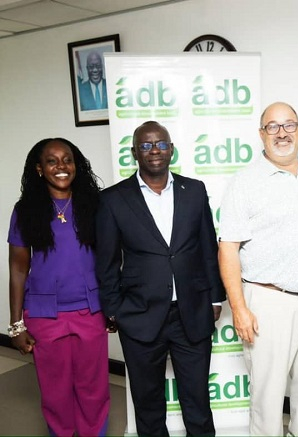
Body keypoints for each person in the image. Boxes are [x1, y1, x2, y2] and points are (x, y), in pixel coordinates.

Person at [218, 102, 298, 436]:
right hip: (268, 302)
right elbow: (227, 248)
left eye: (289, 125)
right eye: (272, 127)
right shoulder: (244, 183)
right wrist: (239, 309)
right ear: (261, 134)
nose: (282, 133)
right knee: (267, 397)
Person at [95, 121, 225, 436]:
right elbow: (107, 259)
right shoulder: (113, 199)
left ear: (171, 149)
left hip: (191, 313)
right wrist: (113, 308)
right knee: (148, 405)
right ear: (134, 152)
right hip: (139, 316)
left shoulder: (193, 190)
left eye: (161, 144)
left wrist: (215, 297)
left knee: (197, 401)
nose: (155, 151)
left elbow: (208, 246)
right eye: (146, 145)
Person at [7, 138, 109, 436]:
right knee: (55, 392)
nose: (61, 166)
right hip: (44, 314)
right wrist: (16, 325)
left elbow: (111, 257)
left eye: (67, 159)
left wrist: (113, 306)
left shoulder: (94, 204)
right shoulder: (25, 210)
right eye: (52, 161)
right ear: (40, 169)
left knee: (94, 390)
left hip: (91, 310)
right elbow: (17, 267)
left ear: (76, 165)